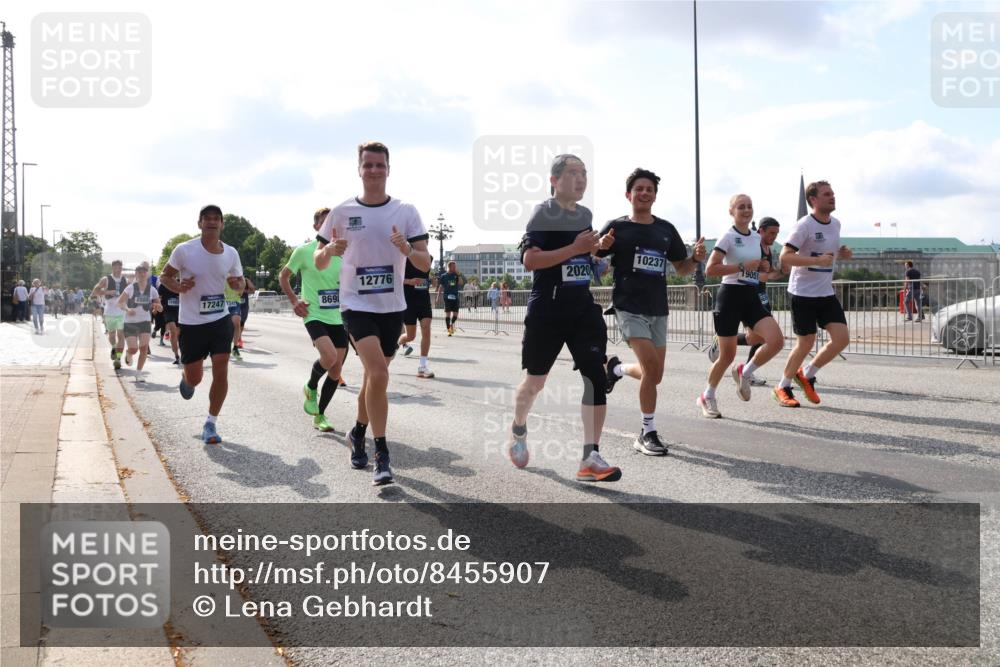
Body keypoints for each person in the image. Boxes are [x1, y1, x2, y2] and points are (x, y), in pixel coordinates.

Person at [314, 141, 431, 486]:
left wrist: (408, 249)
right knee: (378, 374)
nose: (374, 170)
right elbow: (319, 260)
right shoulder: (342, 211)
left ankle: (358, 432)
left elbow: (425, 263)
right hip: (355, 305)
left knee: (372, 379)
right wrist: (331, 250)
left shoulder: (405, 211)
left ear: (388, 170)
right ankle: (382, 454)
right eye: (368, 165)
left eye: (380, 165)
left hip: (391, 307)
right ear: (359, 169)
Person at [508, 153, 620, 482]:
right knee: (535, 382)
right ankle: (518, 428)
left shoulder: (585, 214)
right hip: (548, 310)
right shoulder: (544, 212)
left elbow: (583, 259)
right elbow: (530, 260)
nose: (581, 178)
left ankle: (591, 457)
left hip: (582, 307)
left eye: (584, 173)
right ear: (554, 181)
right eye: (573, 173)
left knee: (595, 377)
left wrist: (598, 254)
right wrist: (575, 248)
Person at [598, 168, 706, 454]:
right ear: (628, 195)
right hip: (628, 306)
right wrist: (601, 246)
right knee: (651, 368)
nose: (644, 193)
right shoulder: (616, 227)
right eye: (639, 189)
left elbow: (682, 269)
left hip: (658, 308)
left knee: (654, 375)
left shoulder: (666, 230)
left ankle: (616, 369)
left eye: (649, 189)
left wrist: (694, 258)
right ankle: (647, 432)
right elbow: (591, 256)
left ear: (655, 196)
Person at [159, 204, 245, 444]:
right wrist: (177, 286)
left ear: (222, 225)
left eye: (216, 219)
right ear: (199, 223)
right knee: (195, 378)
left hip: (219, 319)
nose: (211, 222)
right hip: (192, 323)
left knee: (221, 367)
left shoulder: (231, 253)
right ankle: (187, 380)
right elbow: (165, 276)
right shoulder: (184, 250)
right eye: (206, 218)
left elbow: (237, 283)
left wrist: (239, 285)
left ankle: (211, 422)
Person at [697, 195, 786, 419]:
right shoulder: (728, 237)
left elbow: (759, 271)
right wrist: (740, 266)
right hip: (730, 297)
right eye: (741, 207)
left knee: (775, 341)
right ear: (732, 212)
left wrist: (764, 268)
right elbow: (710, 269)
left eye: (749, 206)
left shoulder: (757, 238)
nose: (746, 210)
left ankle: (744, 371)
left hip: (751, 295)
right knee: (726, 356)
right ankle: (707, 395)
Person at [774, 180, 853, 408]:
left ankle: (807, 374)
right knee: (806, 343)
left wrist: (842, 252)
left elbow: (829, 249)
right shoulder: (804, 225)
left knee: (841, 339)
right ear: (813, 200)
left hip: (825, 292)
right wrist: (816, 261)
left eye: (833, 193)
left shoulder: (836, 224)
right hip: (803, 292)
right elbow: (785, 257)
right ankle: (783, 385)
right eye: (827, 194)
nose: (833, 197)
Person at [280, 207, 349, 433]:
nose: (330, 225)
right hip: (314, 314)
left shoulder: (345, 252)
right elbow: (284, 276)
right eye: (325, 222)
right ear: (316, 227)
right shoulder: (304, 251)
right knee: (328, 356)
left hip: (338, 316)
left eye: (333, 221)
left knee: (336, 370)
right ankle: (311, 387)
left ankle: (319, 414)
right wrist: (294, 301)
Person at [707, 216, 785, 385]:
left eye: (777, 234)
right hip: (738, 293)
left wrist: (779, 270)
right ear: (761, 231)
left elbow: (764, 274)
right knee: (733, 352)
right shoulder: (748, 242)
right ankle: (711, 391)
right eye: (771, 233)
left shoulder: (764, 246)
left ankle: (746, 369)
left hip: (757, 294)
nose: (774, 237)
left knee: (759, 338)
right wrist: (747, 268)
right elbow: (713, 268)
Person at [117, 265, 161, 383]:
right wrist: (127, 309)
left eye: (144, 272)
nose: (142, 274)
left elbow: (160, 308)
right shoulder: (130, 288)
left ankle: (139, 373)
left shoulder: (152, 290)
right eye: (139, 272)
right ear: (136, 274)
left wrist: (158, 306)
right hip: (130, 322)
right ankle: (128, 354)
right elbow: (120, 303)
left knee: (143, 348)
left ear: (147, 274)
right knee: (133, 349)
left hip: (145, 322)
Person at [398, 255, 436, 378]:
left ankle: (422, 366)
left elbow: (426, 277)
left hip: (424, 300)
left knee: (426, 328)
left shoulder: (428, 258)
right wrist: (410, 281)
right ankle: (397, 343)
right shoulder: (403, 258)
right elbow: (396, 278)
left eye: (425, 241)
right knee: (410, 336)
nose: (424, 244)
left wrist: (431, 281)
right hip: (408, 300)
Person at [92, 260, 129, 369]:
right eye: (116, 267)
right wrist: (108, 292)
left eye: (120, 267)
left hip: (122, 312)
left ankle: (118, 359)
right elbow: (95, 291)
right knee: (112, 335)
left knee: (121, 336)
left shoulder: (124, 279)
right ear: (112, 268)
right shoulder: (106, 279)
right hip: (110, 311)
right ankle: (113, 347)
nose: (118, 269)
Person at [157, 275, 182, 365]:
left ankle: (180, 353)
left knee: (179, 334)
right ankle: (176, 356)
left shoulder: (180, 282)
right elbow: (158, 299)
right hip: (168, 311)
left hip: (179, 311)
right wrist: (158, 307)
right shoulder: (162, 285)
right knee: (173, 331)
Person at [436, 261, 465, 336]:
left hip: (455, 297)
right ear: (449, 267)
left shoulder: (456, 275)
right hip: (447, 297)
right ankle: (449, 330)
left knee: (455, 314)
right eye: (454, 267)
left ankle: (451, 324)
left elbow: (461, 283)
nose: (455, 268)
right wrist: (438, 297)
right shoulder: (444, 276)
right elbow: (441, 286)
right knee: (448, 314)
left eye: (455, 267)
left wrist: (458, 275)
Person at [236, 275, 256, 349]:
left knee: (242, 323)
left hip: (244, 306)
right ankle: (238, 339)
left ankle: (238, 337)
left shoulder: (245, 281)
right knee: (236, 323)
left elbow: (253, 290)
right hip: (235, 304)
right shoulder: (233, 280)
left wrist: (247, 280)